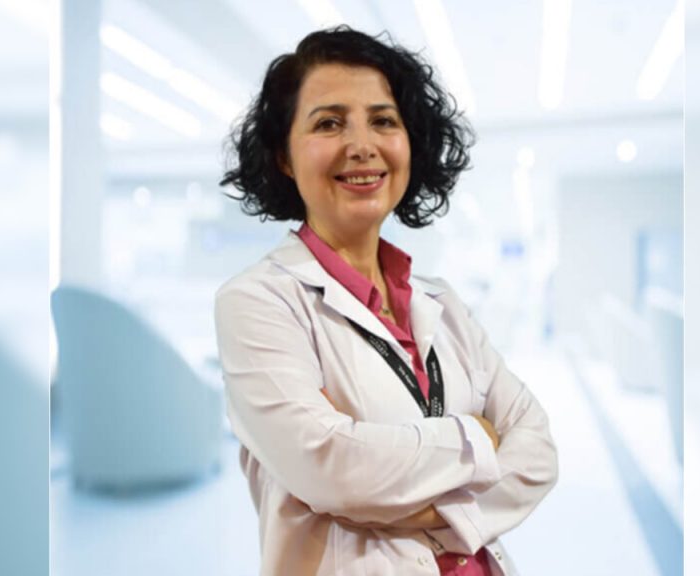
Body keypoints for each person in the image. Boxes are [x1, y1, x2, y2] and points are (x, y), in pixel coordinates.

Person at [215, 26, 558, 576]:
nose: (362, 145)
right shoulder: (257, 302)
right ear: (283, 156)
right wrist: (478, 436)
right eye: (329, 123)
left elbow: (537, 452)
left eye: (383, 120)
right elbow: (333, 467)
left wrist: (412, 499)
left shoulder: (441, 301)